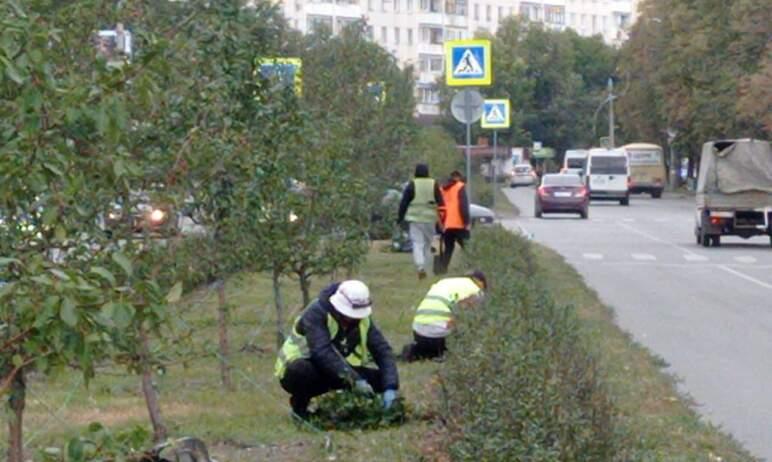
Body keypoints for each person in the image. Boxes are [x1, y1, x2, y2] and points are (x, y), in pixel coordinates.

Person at [275, 280, 400, 419]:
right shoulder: (316, 313)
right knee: (300, 371)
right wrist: (355, 380)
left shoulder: (363, 319)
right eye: (349, 316)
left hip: (338, 369)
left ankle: (360, 408)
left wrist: (391, 386)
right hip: (302, 369)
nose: (353, 320)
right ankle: (300, 407)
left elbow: (383, 351)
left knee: (380, 379)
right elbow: (322, 353)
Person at [400, 271, 487, 361]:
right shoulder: (475, 290)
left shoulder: (444, 282)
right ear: (481, 283)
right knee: (470, 327)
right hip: (439, 334)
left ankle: (418, 351)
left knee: (431, 349)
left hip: (418, 331)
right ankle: (446, 354)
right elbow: (465, 318)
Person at [397, 163, 444, 280]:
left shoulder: (412, 184)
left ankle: (420, 267)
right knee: (428, 244)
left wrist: (400, 218)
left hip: (415, 219)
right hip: (430, 219)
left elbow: (404, 203)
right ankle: (426, 268)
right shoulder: (434, 184)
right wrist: (442, 219)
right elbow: (441, 203)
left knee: (417, 243)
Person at [439, 170, 471, 271]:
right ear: (458, 178)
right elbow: (463, 206)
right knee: (467, 247)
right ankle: (470, 267)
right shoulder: (460, 187)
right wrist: (466, 222)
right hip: (459, 223)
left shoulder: (442, 189)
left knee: (448, 248)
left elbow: (439, 206)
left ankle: (442, 268)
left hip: (446, 224)